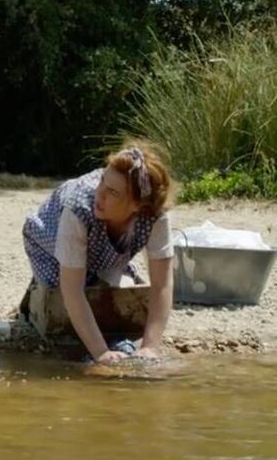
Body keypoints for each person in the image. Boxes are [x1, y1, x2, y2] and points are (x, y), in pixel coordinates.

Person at [21, 141, 174, 363]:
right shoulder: (79, 207)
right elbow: (72, 290)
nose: (99, 194)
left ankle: (99, 271)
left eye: (112, 192)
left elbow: (162, 284)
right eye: (103, 180)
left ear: (137, 205)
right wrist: (101, 353)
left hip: (102, 247)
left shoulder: (155, 215)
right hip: (49, 236)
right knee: (62, 286)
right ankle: (35, 292)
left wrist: (150, 347)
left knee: (116, 289)